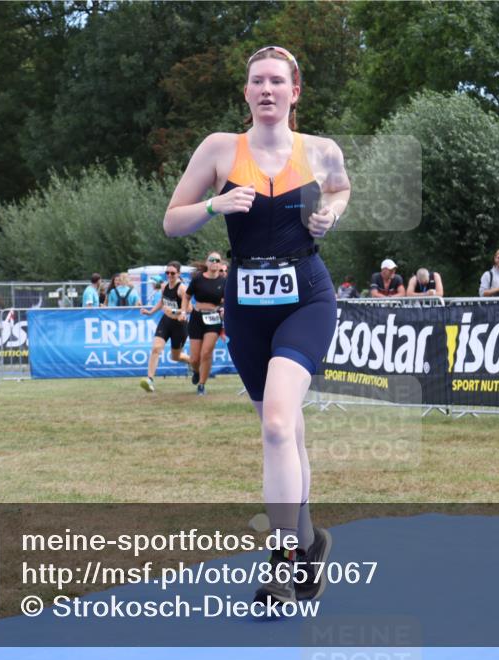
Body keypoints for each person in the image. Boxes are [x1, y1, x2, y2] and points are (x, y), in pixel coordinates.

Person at [163, 45, 348, 607]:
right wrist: (216, 209)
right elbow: (172, 221)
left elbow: (340, 188)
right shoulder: (220, 149)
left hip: (306, 298)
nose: (266, 89)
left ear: (295, 91)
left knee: (274, 423)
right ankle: (311, 542)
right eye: (256, 81)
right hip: (246, 306)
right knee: (285, 430)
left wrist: (330, 214)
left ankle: (283, 558)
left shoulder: (320, 150)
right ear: (245, 93)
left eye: (276, 81)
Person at [139, 262, 192, 392]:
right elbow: (162, 302)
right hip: (166, 322)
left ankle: (192, 362)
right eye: (167, 273)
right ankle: (149, 380)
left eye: (172, 273)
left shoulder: (182, 289)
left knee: (176, 357)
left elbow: (190, 309)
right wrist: (151, 311)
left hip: (180, 325)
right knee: (156, 348)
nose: (169, 275)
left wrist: (175, 312)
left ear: (178, 274)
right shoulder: (164, 286)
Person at [182, 252, 226, 396]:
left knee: (206, 353)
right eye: (211, 260)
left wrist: (224, 308)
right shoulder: (198, 279)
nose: (214, 262)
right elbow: (186, 296)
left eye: (217, 260)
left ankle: (201, 384)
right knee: (194, 358)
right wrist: (183, 311)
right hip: (196, 317)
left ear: (220, 264)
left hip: (213, 318)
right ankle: (195, 371)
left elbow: (227, 300)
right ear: (207, 263)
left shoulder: (224, 281)